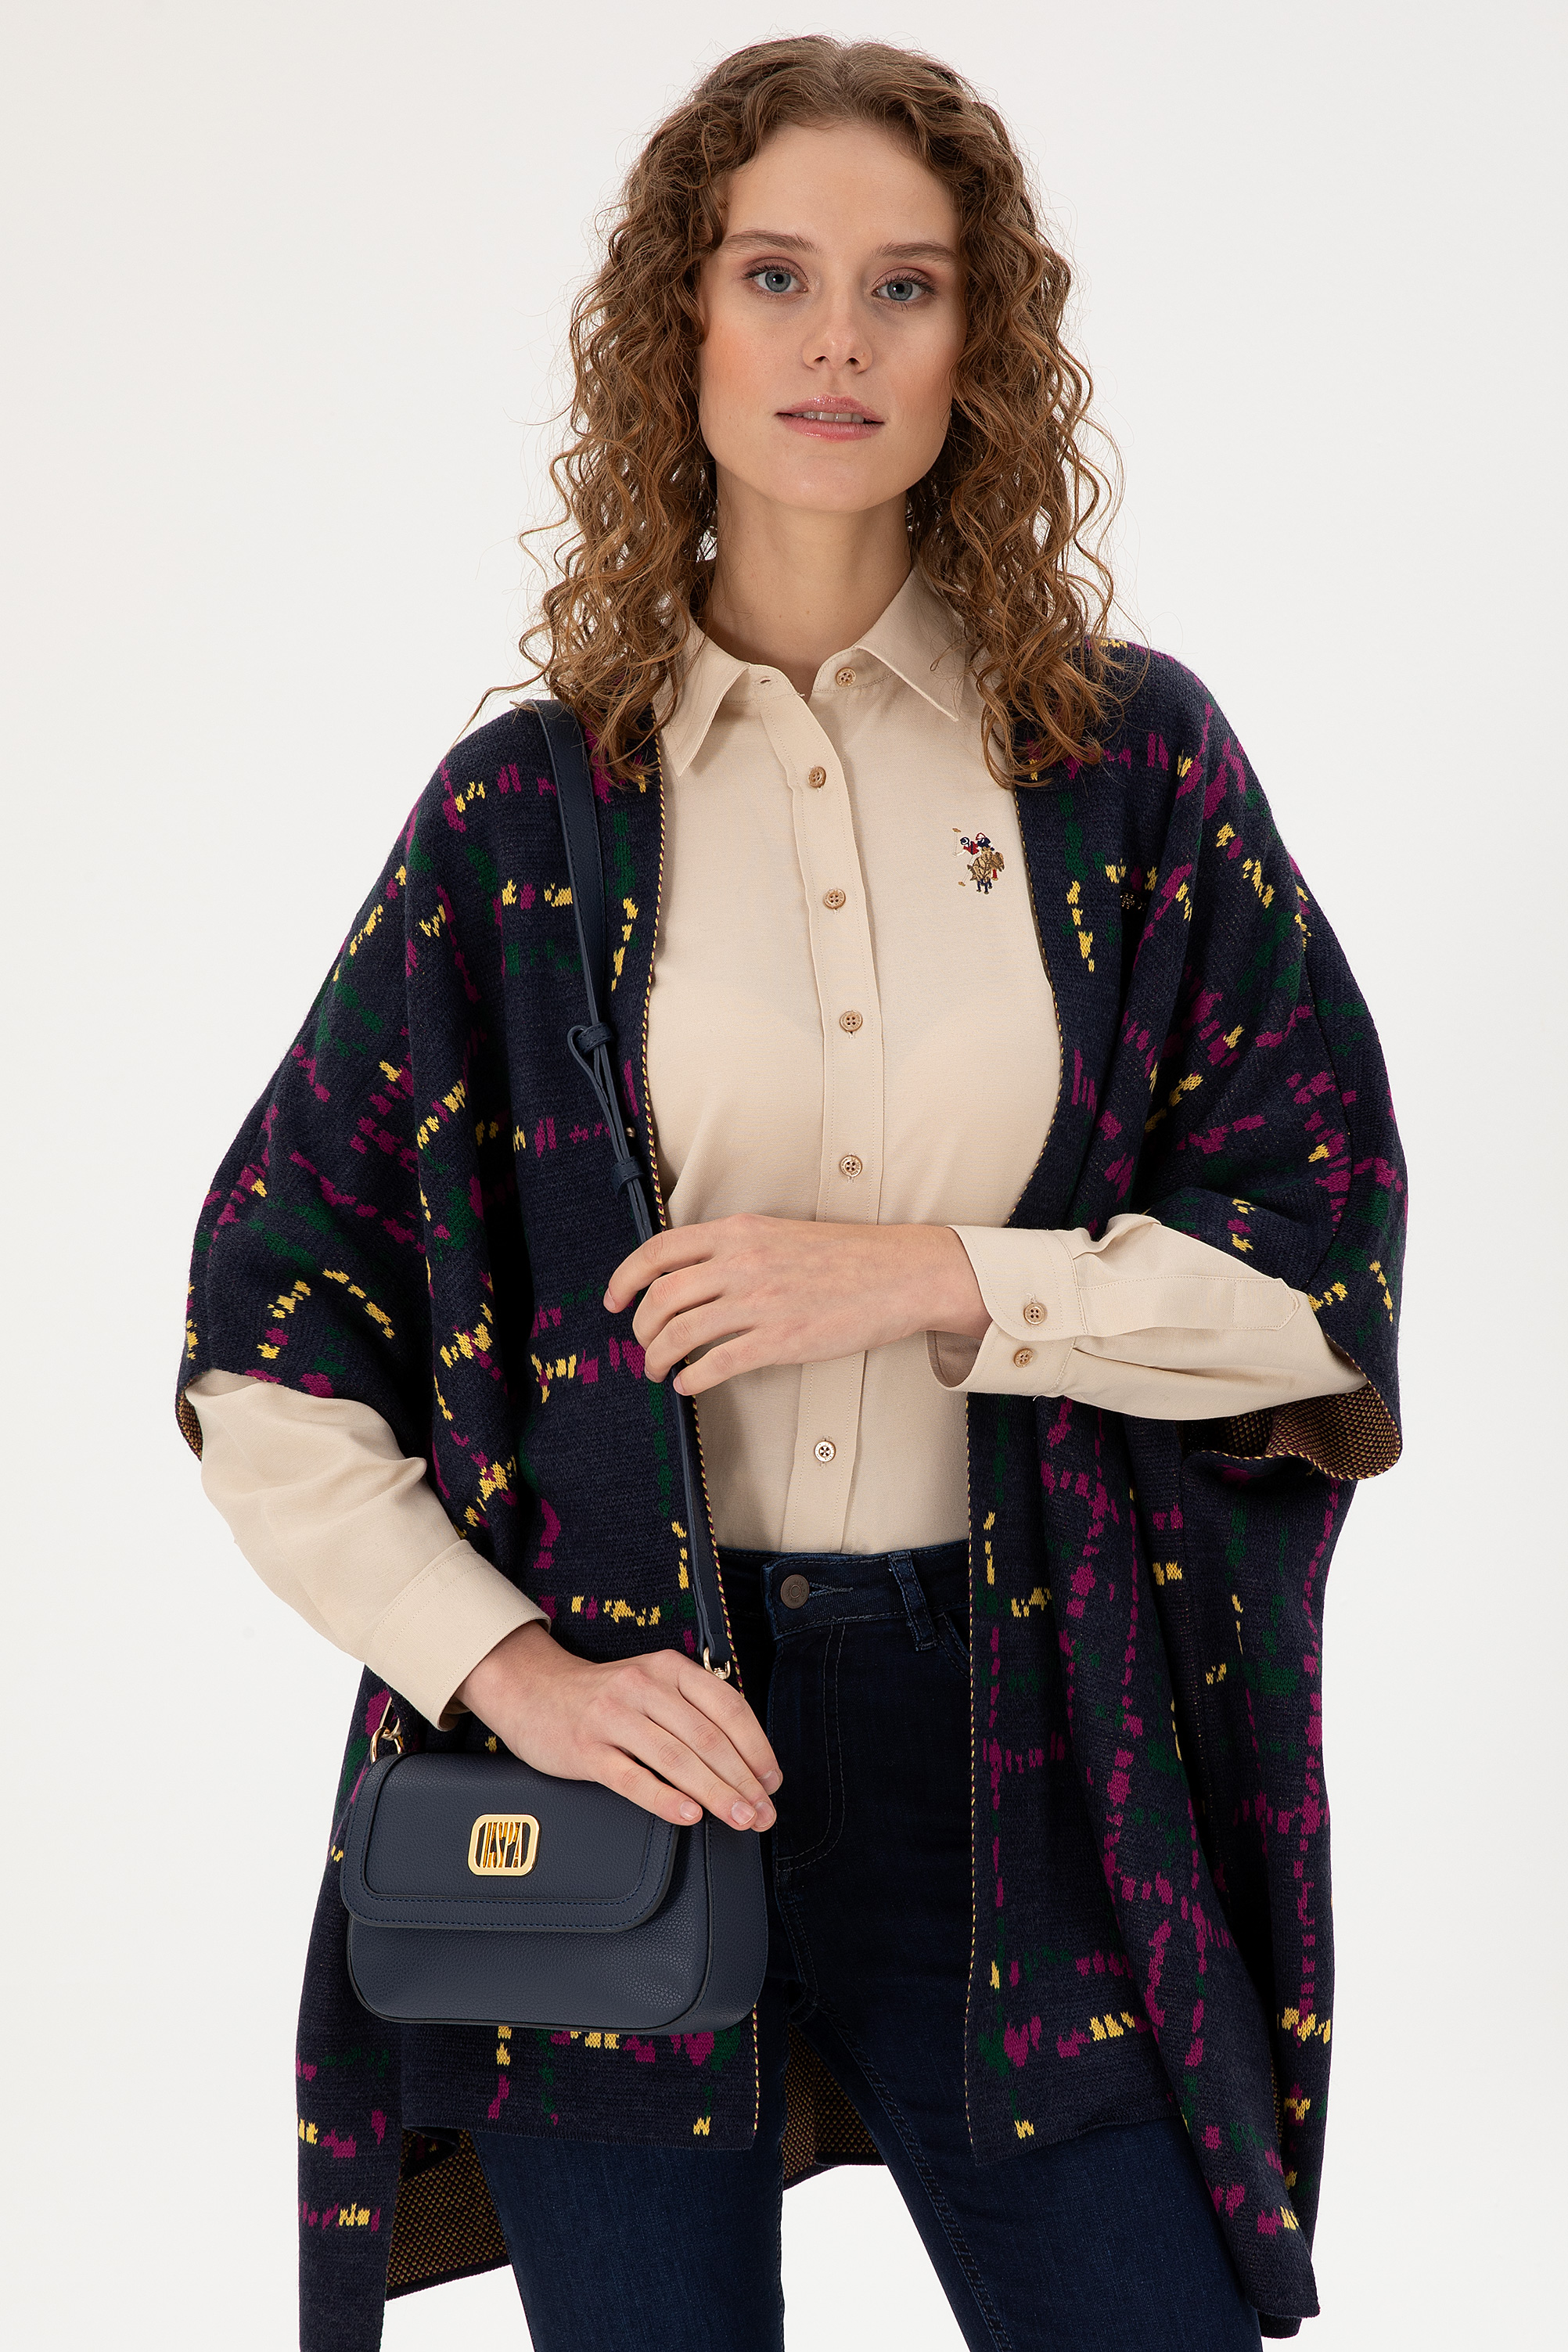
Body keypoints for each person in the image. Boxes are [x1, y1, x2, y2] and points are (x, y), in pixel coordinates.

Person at [178, 35, 1404, 2352]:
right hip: (635, 1745)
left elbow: (1318, 1264)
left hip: (1023, 1742)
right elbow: (265, 1329)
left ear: (977, 348)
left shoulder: (1125, 770)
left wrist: (938, 1281)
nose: (838, 340)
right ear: (684, 321)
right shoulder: (526, 818)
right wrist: (511, 1670)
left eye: (904, 286)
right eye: (775, 275)